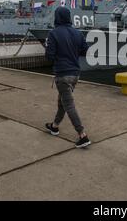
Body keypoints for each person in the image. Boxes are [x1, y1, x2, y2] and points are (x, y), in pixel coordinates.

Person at [44, 8, 91, 148]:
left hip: (62, 74)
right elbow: (84, 50)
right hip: (75, 74)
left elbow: (49, 57)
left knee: (68, 105)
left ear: (57, 17)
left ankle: (82, 135)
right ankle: (54, 126)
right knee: (62, 102)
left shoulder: (53, 33)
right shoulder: (77, 33)